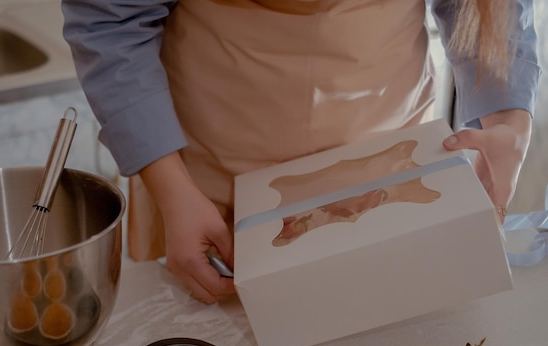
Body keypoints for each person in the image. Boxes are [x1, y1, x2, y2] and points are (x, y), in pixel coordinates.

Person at [61, 0, 541, 303]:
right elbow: (110, 22)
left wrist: (508, 119)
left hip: (389, 166)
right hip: (202, 182)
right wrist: (173, 191)